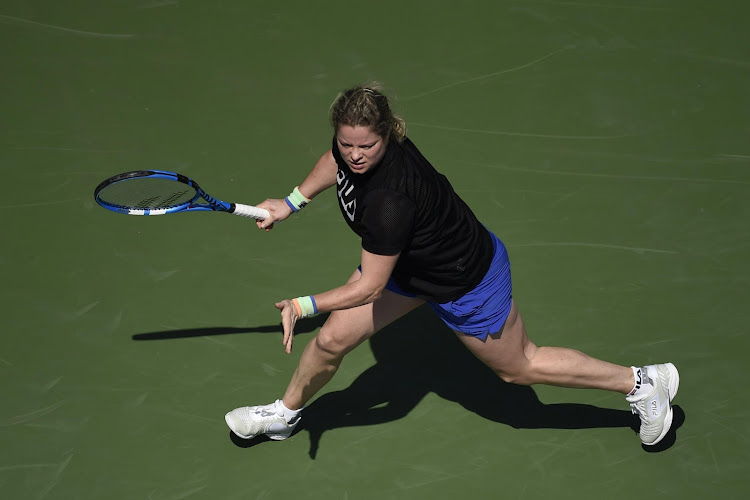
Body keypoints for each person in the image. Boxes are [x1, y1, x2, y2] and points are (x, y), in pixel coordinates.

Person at [224, 83, 679, 446]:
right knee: (332, 340)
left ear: (388, 135)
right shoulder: (351, 150)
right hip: (407, 268)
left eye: (368, 146)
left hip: (465, 279)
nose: (355, 155)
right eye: (348, 144)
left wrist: (303, 305)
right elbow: (333, 163)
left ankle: (639, 383)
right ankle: (283, 415)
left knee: (518, 368)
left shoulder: (389, 203)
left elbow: (368, 289)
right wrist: (291, 202)